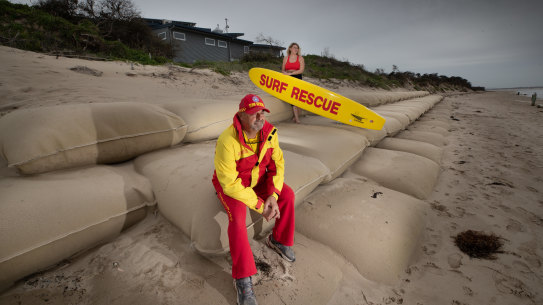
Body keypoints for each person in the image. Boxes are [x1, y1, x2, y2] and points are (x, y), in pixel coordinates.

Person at [212, 94, 296, 305]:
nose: (260, 117)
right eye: (253, 114)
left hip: (258, 179)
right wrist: (260, 205)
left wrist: (273, 195)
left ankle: (278, 240)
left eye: (262, 113)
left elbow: (278, 164)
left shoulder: (269, 132)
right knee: (238, 221)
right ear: (241, 115)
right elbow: (229, 183)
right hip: (233, 186)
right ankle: (242, 278)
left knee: (288, 195)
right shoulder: (227, 140)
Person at [282, 42, 305, 123]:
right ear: (290, 48)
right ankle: (296, 118)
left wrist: (291, 73)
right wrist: (285, 74)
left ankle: (296, 117)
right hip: (288, 78)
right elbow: (283, 70)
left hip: (297, 77)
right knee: (291, 98)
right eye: (294, 47)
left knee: (297, 98)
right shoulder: (285, 58)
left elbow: (301, 70)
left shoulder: (300, 58)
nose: (296, 49)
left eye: (297, 48)